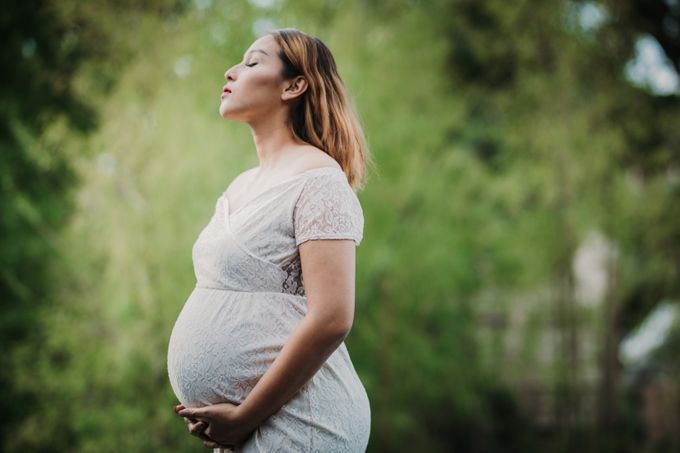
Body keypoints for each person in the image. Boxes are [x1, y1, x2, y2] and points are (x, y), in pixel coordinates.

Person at [166, 27, 374, 452]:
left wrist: (244, 416)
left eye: (252, 61)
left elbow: (333, 317)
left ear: (294, 85)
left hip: (302, 423)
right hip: (252, 428)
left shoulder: (319, 182)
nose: (231, 70)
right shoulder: (242, 184)